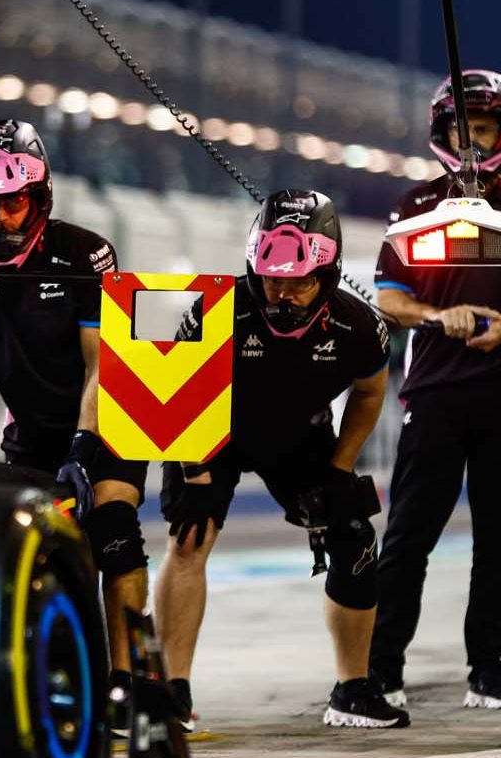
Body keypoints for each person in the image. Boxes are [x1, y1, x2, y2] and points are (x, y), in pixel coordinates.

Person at [372, 69, 501, 710]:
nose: (470, 144)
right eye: (459, 130)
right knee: (408, 535)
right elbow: (387, 296)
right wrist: (438, 318)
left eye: (482, 129)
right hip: (435, 392)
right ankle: (380, 671)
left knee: (499, 537)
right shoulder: (414, 206)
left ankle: (487, 670)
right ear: (441, 133)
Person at [153, 189, 400, 730]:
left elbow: (369, 394)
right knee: (188, 537)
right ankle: (172, 692)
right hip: (211, 430)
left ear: (328, 274)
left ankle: (352, 690)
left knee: (356, 536)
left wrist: (340, 468)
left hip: (299, 438)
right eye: (272, 279)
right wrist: (194, 473)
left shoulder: (361, 327)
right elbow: (176, 392)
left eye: (298, 281)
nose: (282, 294)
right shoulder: (216, 311)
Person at [0, 118, 151, 691]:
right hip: (28, 433)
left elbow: (100, 364)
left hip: (106, 424)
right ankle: (50, 677)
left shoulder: (86, 252)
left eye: (13, 204)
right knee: (32, 547)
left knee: (113, 532)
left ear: (39, 196)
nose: (2, 219)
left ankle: (132, 685)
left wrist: (84, 447)